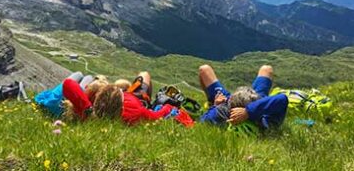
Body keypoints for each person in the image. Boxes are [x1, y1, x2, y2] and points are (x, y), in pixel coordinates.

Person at [59, 71, 194, 127]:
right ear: (121, 106)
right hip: (138, 97)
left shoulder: (86, 113)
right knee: (144, 74)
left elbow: (68, 84)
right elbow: (158, 114)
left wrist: (88, 109)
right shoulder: (136, 113)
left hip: (131, 96)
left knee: (86, 77)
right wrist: (168, 107)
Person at [198, 64, 289, 128]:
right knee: (266, 69)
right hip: (254, 99)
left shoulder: (221, 112)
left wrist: (215, 106)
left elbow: (201, 122)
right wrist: (249, 111)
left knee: (204, 69)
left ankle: (210, 101)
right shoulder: (267, 118)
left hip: (229, 102)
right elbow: (282, 98)